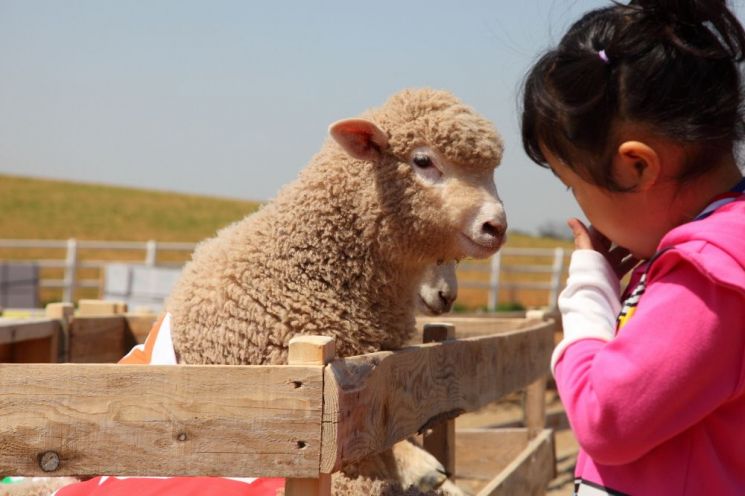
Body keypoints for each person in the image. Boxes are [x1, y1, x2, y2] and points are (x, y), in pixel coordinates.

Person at [520, 0, 745, 494]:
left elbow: (607, 418)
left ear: (636, 168)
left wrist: (588, 290)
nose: (579, 204)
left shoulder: (709, 274)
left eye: (572, 185)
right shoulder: (709, 255)